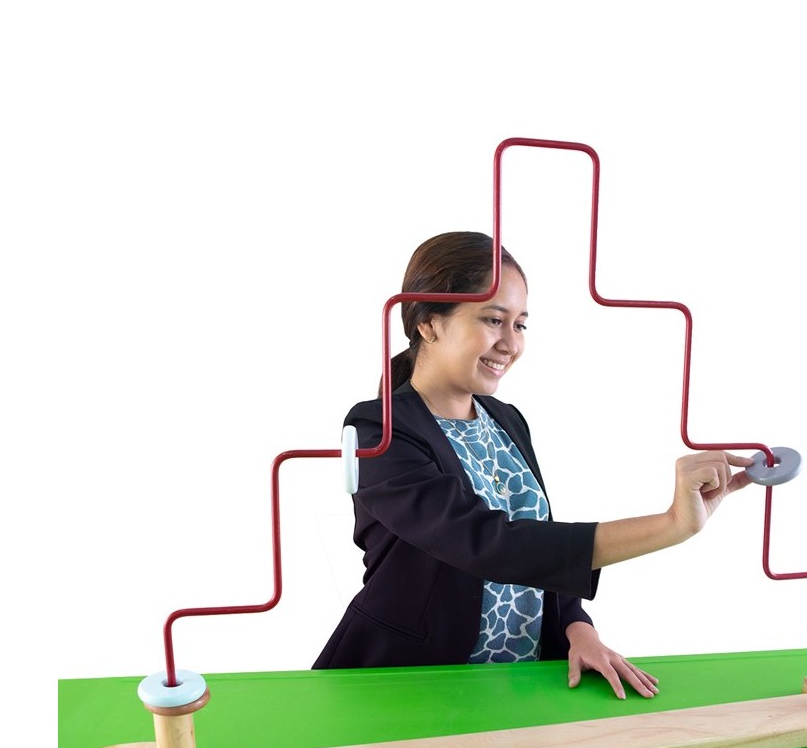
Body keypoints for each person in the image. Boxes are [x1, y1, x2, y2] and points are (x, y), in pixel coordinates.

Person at [313, 232, 752, 698]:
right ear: (428, 323)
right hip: (409, 679)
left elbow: (537, 535)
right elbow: (488, 544)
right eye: (493, 320)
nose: (510, 343)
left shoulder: (505, 419)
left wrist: (576, 626)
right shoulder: (378, 430)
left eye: (520, 325)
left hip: (519, 681)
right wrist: (671, 524)